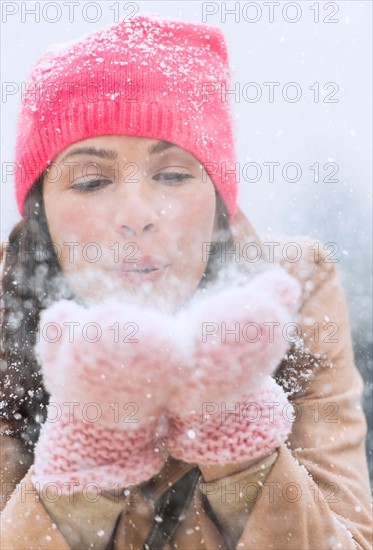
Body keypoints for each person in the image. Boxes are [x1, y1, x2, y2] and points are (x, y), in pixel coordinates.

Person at [0, 14, 372, 550]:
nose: (136, 214)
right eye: (91, 180)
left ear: (218, 202)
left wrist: (237, 434)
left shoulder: (286, 297)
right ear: (41, 214)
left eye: (172, 175)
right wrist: (88, 448)